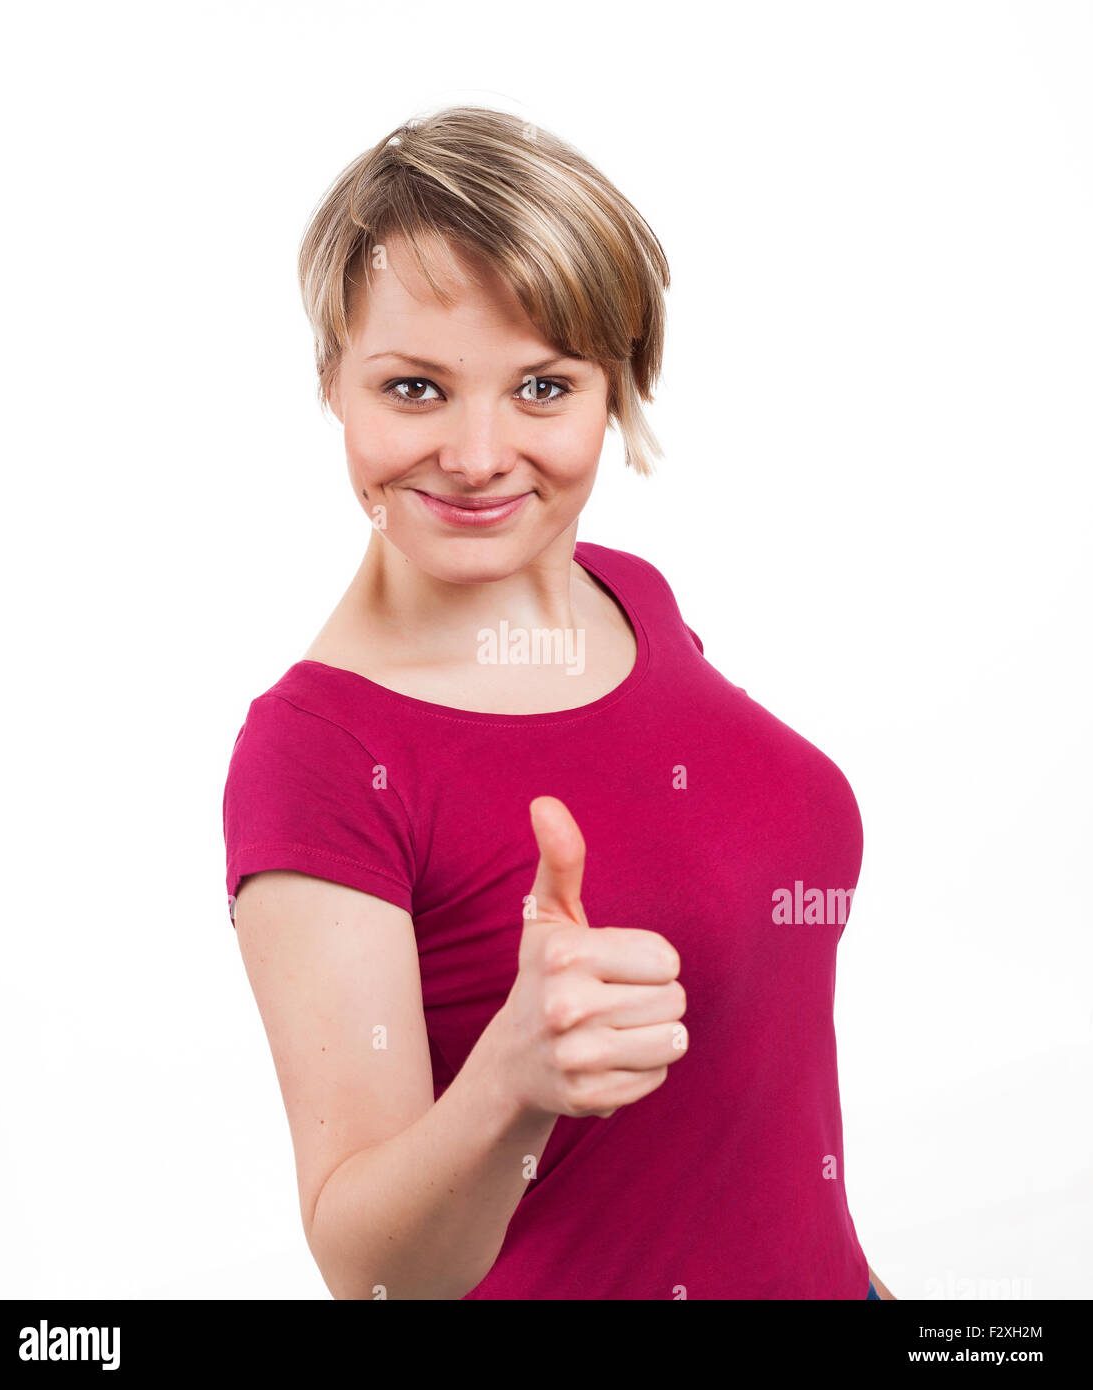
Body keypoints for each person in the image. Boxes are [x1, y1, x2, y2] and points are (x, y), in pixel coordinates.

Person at [222, 106, 896, 1301]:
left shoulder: (628, 595)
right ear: (332, 378)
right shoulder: (316, 752)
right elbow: (370, 1272)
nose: (479, 456)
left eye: (540, 385)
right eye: (416, 387)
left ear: (613, 386)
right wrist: (510, 1078)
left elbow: (749, 1128)